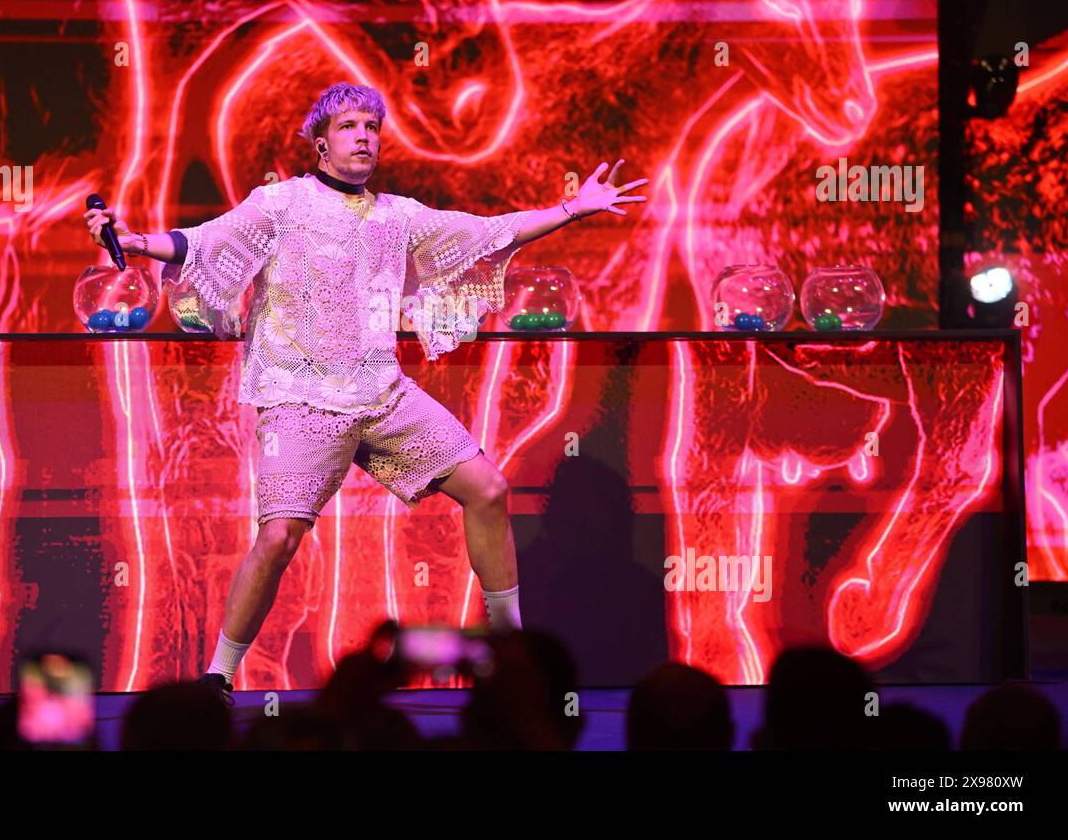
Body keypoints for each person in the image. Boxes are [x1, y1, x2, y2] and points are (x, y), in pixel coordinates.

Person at [83, 82, 647, 704]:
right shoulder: (282, 203)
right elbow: (204, 242)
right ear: (321, 143)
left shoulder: (397, 215)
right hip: (298, 400)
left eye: (373, 128)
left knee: (488, 489)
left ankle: (511, 654)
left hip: (382, 396)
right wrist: (134, 242)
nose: (365, 137)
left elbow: (490, 232)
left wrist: (571, 209)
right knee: (278, 538)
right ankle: (218, 677)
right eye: (351, 126)